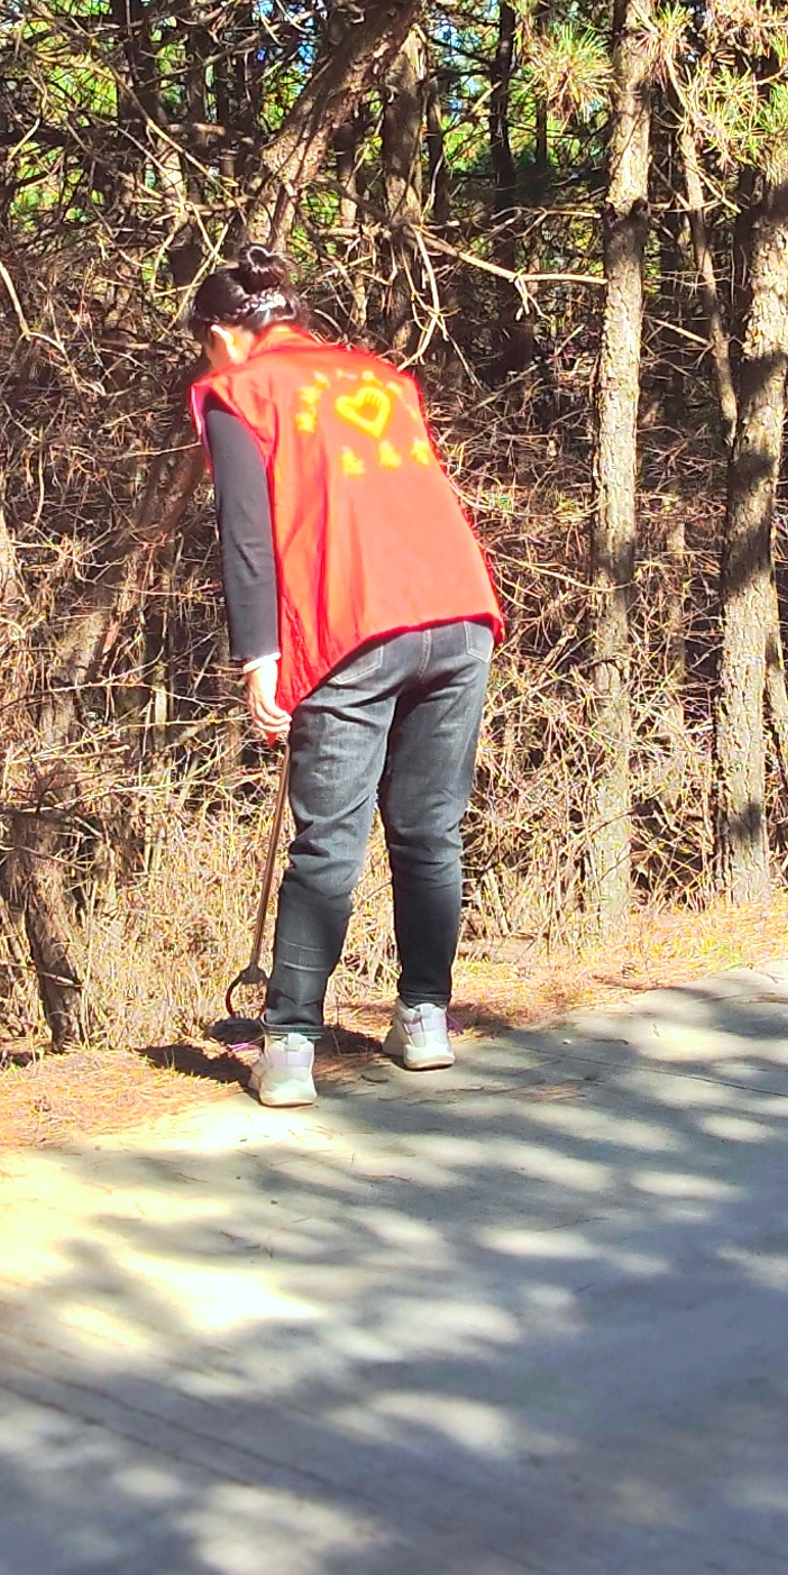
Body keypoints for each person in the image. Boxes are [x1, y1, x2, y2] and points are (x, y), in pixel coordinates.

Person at [187, 244, 505, 1107]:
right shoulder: (381, 376)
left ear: (226, 335)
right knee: (430, 831)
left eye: (202, 345)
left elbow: (247, 538)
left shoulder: (239, 391)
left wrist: (260, 658)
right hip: (459, 609)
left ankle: (288, 1043)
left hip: (355, 622)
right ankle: (426, 1019)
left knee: (329, 838)